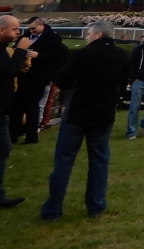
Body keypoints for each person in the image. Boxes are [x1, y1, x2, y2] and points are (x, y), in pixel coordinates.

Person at [40, 20, 129, 222]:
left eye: (88, 34)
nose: (87, 37)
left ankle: (53, 209)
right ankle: (96, 206)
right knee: (99, 161)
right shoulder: (122, 56)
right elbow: (123, 83)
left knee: (63, 161)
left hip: (77, 113)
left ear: (98, 35)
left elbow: (62, 79)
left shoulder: (83, 54)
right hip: (104, 114)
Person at [11, 17, 66, 145]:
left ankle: (31, 137)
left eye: (34, 28)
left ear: (41, 25)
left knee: (32, 107)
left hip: (38, 78)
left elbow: (58, 55)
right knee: (16, 108)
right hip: (22, 76)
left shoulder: (52, 38)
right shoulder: (26, 36)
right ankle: (13, 135)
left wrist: (38, 55)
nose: (31, 31)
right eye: (29, 29)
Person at [0, 16, 33, 208]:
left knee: (4, 149)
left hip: (3, 111)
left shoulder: (4, 49)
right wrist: (21, 50)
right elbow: (6, 71)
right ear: (2, 30)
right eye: (14, 30)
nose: (18, 33)